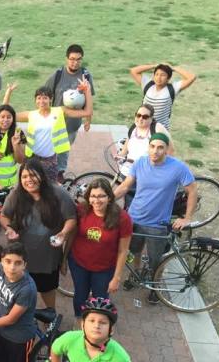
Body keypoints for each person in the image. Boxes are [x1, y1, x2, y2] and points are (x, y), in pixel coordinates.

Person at [113, 133, 197, 304]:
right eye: (152, 146)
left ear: (166, 150)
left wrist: (187, 218)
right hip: (134, 218)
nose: (156, 151)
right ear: (148, 147)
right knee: (134, 251)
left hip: (157, 224)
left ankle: (155, 285)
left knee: (155, 258)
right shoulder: (140, 162)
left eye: (160, 147)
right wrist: (106, 201)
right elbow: (125, 186)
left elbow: (193, 190)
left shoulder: (178, 167)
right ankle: (135, 276)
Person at [0, 159, 77, 309]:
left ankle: (49, 319)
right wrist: (8, 228)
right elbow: (4, 215)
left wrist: (63, 233)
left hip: (47, 256)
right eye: (24, 176)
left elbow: (71, 218)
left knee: (47, 289)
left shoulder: (58, 193)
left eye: (33, 175)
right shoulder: (17, 194)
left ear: (42, 176)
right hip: (20, 256)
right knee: (19, 291)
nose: (29, 180)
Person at [64, 179, 132, 318]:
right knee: (80, 296)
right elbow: (72, 236)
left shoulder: (122, 218)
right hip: (79, 264)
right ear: (88, 197)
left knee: (100, 299)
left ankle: (97, 322)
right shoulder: (81, 210)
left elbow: (123, 250)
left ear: (109, 197)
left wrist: (116, 278)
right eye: (93, 196)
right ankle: (80, 320)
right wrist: (64, 259)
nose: (97, 200)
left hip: (104, 269)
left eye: (101, 196)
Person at [3, 82, 92, 183]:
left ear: (50, 99)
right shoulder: (31, 115)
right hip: (32, 158)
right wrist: (8, 92)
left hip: (50, 160)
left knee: (49, 188)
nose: (42, 101)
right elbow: (5, 112)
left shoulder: (60, 111)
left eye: (45, 98)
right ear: (35, 100)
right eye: (39, 98)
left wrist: (87, 91)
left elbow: (87, 112)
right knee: (30, 186)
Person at [43, 44, 95, 174]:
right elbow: (44, 97)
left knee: (62, 154)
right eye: (72, 59)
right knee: (48, 153)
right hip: (53, 124)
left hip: (72, 125)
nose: (75, 62)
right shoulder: (57, 75)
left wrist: (88, 120)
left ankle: (60, 177)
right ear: (67, 59)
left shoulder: (86, 76)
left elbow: (89, 100)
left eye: (78, 59)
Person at [129, 63, 196, 130]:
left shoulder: (173, 88)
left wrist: (173, 68)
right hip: (143, 126)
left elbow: (191, 77)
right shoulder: (148, 84)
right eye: (157, 74)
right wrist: (155, 65)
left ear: (168, 78)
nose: (159, 77)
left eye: (163, 75)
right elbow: (134, 71)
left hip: (160, 130)